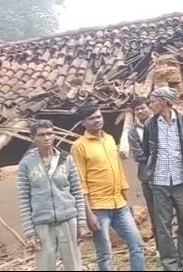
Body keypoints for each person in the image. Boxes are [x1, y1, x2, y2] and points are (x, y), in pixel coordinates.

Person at [71, 103, 145, 271]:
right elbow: (79, 182)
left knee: (137, 245)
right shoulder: (79, 146)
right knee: (104, 253)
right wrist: (88, 214)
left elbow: (119, 171)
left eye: (99, 116)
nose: (97, 120)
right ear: (83, 122)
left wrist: (127, 201)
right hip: (98, 208)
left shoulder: (110, 139)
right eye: (92, 118)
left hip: (120, 205)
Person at [17, 120, 85, 271]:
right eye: (41, 135)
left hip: (68, 220)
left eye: (50, 133)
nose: (47, 138)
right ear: (33, 138)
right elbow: (24, 199)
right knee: (45, 266)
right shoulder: (26, 164)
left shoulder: (66, 159)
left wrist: (81, 222)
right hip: (42, 224)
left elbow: (77, 192)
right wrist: (30, 232)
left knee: (74, 265)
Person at [143, 87, 183, 271]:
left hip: (181, 180)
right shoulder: (150, 124)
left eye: (153, 101)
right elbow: (147, 151)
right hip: (159, 181)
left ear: (164, 102)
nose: (150, 105)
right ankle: (170, 265)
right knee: (163, 227)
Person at [126, 98, 156, 240]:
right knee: (154, 210)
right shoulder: (133, 132)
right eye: (137, 109)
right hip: (147, 176)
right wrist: (157, 157)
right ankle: (160, 244)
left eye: (143, 108)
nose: (140, 111)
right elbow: (138, 155)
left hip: (167, 174)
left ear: (149, 107)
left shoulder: (159, 123)